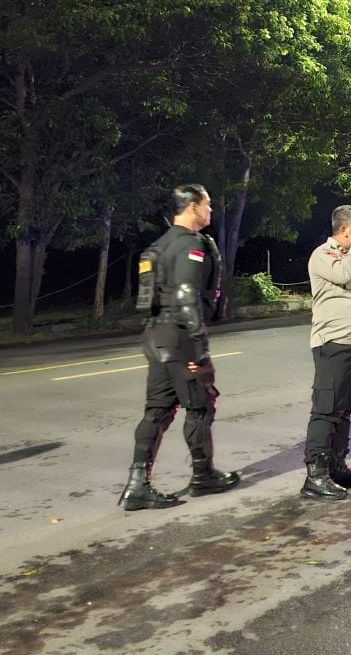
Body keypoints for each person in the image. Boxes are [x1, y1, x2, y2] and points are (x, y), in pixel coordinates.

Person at [118, 184, 240, 511]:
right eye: (207, 204)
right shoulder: (191, 244)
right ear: (192, 207)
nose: (211, 211)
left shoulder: (158, 246)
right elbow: (187, 296)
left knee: (157, 411)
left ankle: (137, 485)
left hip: (157, 335)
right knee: (200, 405)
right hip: (180, 336)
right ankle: (203, 476)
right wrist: (199, 349)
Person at [301, 204, 351, 501]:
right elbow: (343, 273)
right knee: (327, 409)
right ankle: (315, 475)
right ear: (345, 229)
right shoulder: (324, 255)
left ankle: (337, 467)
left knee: (346, 408)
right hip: (334, 344)